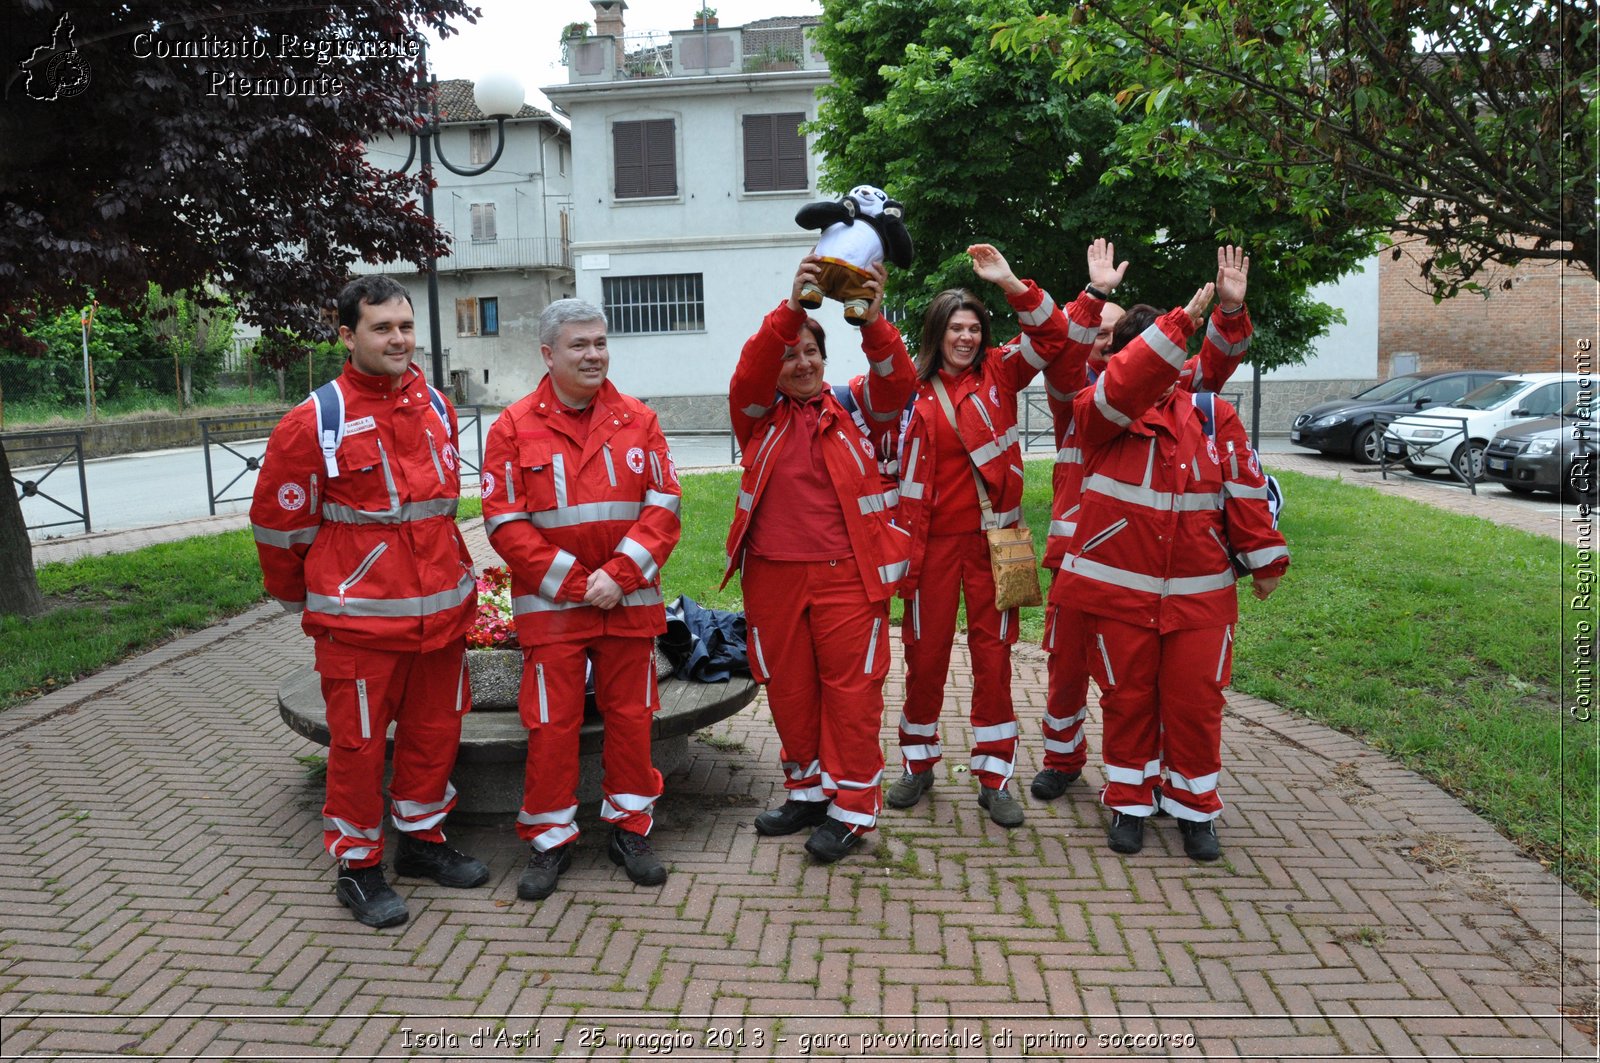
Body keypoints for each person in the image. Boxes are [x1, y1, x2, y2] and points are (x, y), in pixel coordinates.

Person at [250, 276, 488, 930]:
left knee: (434, 734)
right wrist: (322, 595)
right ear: (347, 335)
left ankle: (421, 842)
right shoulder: (315, 420)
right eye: (383, 328)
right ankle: (357, 869)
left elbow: (440, 512)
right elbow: (280, 529)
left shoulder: (437, 406)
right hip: (357, 630)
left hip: (441, 619)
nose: (399, 339)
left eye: (406, 326)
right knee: (357, 748)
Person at [1055, 275, 1288, 861]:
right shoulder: (1099, 414)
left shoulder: (1211, 415)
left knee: (1195, 703)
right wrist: (1180, 323)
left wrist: (1265, 558)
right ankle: (1129, 803)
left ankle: (1193, 809)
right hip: (1120, 595)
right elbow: (1123, 384)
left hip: (1199, 599)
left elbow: (1245, 488)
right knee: (1127, 700)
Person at [887, 243, 1100, 828]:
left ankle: (994, 776)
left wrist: (1010, 281)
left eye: (974, 328)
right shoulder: (911, 387)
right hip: (928, 550)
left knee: (994, 660)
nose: (967, 338)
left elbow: (1054, 337)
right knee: (924, 658)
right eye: (956, 328)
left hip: (995, 545)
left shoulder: (1002, 372)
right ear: (937, 332)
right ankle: (918, 764)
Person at [1031, 247, 1255, 802]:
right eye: (1099, 338)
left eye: (1115, 338)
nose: (1106, 346)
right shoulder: (1076, 394)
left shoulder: (1163, 386)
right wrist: (1095, 296)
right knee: (1066, 671)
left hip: (1132, 567)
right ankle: (1062, 760)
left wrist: (1228, 312)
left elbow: (1211, 368)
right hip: (1074, 564)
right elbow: (1066, 350)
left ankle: (1145, 776)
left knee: (1134, 681)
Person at [481, 299, 681, 901]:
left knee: (631, 718)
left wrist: (619, 576)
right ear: (548, 353)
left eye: (600, 343)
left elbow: (663, 506)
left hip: (628, 602)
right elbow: (504, 522)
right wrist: (577, 583)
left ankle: (631, 829)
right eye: (579, 345)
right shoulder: (512, 427)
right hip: (555, 608)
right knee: (551, 724)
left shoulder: (639, 420)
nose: (594, 354)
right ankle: (549, 839)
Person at [725, 255, 916, 862]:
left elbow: (900, 383)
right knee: (791, 691)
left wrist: (873, 320)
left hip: (847, 578)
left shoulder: (859, 408)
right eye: (791, 354)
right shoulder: (756, 418)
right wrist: (792, 309)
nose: (802, 363)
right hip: (772, 576)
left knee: (852, 694)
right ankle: (808, 791)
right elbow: (749, 374)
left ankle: (854, 809)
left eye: (812, 352)